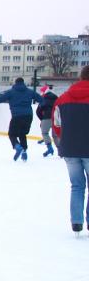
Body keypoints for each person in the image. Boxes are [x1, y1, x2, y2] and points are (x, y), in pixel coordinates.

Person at [53, 67, 89, 235]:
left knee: (77, 186)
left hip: (69, 148)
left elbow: (57, 124)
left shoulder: (62, 98)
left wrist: (64, 139)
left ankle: (76, 222)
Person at [0, 77, 43, 161]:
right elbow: (42, 100)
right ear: (23, 83)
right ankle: (24, 152)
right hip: (28, 116)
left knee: (12, 134)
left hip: (17, 116)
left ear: (15, 83)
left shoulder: (11, 92)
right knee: (22, 134)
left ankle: (17, 146)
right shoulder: (30, 91)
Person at [37, 85, 59, 157]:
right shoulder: (57, 97)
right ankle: (60, 151)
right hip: (56, 117)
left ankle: (50, 148)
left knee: (45, 133)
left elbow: (38, 111)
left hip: (46, 117)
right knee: (56, 135)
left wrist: (42, 119)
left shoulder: (43, 99)